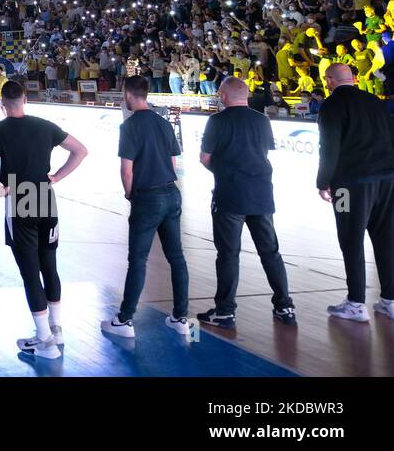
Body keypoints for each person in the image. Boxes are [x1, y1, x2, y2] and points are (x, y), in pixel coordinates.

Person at [0, 80, 88, 359]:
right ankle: (57, 328)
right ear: (25, 100)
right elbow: (80, 151)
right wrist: (56, 177)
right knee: (49, 266)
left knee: (30, 272)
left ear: (2, 104)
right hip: (45, 194)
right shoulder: (45, 126)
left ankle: (44, 341)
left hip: (19, 196)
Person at [196, 77, 296, 329]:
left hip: (230, 194)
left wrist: (223, 172)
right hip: (261, 194)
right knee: (271, 252)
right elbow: (262, 153)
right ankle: (284, 306)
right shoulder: (262, 120)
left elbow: (205, 158)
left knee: (228, 254)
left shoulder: (217, 121)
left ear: (224, 95)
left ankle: (225, 311)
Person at [103, 76, 192, 339]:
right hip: (171, 193)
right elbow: (174, 163)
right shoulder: (164, 124)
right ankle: (181, 317)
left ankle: (125, 318)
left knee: (138, 259)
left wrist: (130, 194)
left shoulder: (129, 126)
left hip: (147, 197)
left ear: (128, 94)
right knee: (177, 257)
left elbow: (126, 169)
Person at [316, 63, 394, 321]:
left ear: (329, 80)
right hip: (386, 180)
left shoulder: (331, 105)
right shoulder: (374, 100)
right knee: (386, 239)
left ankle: (356, 302)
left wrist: (323, 181)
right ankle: (390, 300)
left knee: (350, 238)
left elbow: (329, 146)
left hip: (349, 184)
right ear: (354, 78)